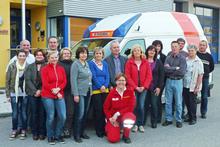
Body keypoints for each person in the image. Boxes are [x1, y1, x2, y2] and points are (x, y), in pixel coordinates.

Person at [41, 51, 67, 145]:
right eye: (52, 58)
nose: (54, 59)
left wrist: (59, 89)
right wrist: (55, 91)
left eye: (55, 57)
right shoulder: (44, 69)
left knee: (63, 116)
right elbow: (45, 83)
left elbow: (64, 81)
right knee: (51, 116)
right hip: (47, 95)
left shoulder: (61, 68)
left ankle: (58, 134)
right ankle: (50, 135)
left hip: (59, 93)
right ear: (48, 59)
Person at [125, 44, 152, 133]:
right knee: (135, 106)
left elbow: (149, 76)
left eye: (138, 50)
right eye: (135, 50)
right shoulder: (129, 62)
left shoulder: (145, 62)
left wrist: (144, 86)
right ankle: (135, 124)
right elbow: (127, 76)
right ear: (132, 52)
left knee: (141, 106)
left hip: (143, 88)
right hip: (133, 88)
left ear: (141, 52)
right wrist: (135, 87)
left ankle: (140, 124)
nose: (137, 52)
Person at [103, 73, 136, 144]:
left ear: (126, 82)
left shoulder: (130, 92)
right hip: (114, 118)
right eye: (119, 80)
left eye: (123, 80)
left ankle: (126, 136)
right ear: (116, 82)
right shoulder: (112, 93)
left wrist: (117, 114)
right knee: (113, 139)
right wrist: (110, 119)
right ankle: (108, 127)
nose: (121, 82)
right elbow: (106, 107)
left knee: (130, 118)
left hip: (125, 115)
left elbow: (131, 107)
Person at [163, 41, 187, 128]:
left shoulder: (182, 58)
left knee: (178, 102)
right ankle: (168, 119)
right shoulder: (168, 58)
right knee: (168, 102)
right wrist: (175, 68)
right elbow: (165, 70)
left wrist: (170, 68)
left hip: (178, 81)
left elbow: (182, 72)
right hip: (169, 81)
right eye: (172, 46)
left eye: (176, 46)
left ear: (179, 47)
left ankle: (178, 120)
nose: (174, 48)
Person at [70, 47, 92, 143]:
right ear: (78, 54)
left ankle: (82, 132)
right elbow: (73, 80)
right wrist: (75, 94)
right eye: (82, 53)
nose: (84, 55)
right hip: (79, 92)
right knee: (80, 114)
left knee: (85, 114)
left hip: (88, 91)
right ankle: (77, 134)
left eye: (85, 53)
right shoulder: (75, 64)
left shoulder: (86, 64)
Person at [6, 50, 29, 140]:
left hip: (25, 93)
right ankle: (14, 130)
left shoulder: (28, 66)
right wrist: (8, 95)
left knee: (24, 113)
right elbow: (7, 81)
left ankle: (23, 130)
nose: (22, 57)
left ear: (25, 57)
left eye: (24, 55)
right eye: (20, 55)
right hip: (13, 93)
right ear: (17, 56)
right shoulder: (12, 66)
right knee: (15, 113)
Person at [25, 49, 46, 140]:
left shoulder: (46, 66)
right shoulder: (30, 66)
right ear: (35, 56)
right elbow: (28, 80)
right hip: (32, 93)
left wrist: (40, 90)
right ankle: (35, 132)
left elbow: (47, 80)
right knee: (34, 113)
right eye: (37, 55)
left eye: (41, 55)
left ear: (43, 56)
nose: (39, 56)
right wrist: (35, 91)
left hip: (44, 92)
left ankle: (42, 132)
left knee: (42, 113)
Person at [88, 47, 109, 137]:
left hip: (105, 89)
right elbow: (93, 77)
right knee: (98, 111)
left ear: (102, 55)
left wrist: (105, 85)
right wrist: (101, 86)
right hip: (96, 89)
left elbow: (108, 76)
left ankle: (105, 129)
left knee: (105, 110)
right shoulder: (91, 64)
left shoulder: (105, 63)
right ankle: (99, 130)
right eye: (96, 53)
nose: (98, 55)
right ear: (94, 54)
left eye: (100, 53)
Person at [183, 45, 204, 125]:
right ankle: (189, 116)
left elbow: (200, 75)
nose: (190, 52)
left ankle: (193, 118)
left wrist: (197, 87)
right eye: (189, 51)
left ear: (196, 51)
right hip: (185, 84)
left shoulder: (198, 61)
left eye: (192, 50)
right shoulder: (186, 59)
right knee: (187, 102)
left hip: (193, 85)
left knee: (192, 103)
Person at [145, 45, 164, 128]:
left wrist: (159, 87)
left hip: (155, 87)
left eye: (153, 51)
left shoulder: (158, 62)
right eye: (150, 50)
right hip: (145, 87)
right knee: (144, 104)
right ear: (147, 51)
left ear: (155, 53)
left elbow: (161, 76)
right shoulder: (143, 61)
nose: (151, 52)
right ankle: (142, 121)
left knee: (154, 104)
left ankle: (154, 121)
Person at [197, 40, 215, 119]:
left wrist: (206, 73)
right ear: (199, 46)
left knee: (204, 96)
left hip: (205, 78)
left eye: (203, 45)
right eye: (200, 45)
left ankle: (203, 112)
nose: (202, 46)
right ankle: (191, 113)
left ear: (206, 46)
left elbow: (212, 67)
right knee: (193, 97)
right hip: (195, 78)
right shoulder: (196, 54)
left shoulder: (209, 56)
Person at [58, 48, 73, 138]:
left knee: (70, 112)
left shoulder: (74, 63)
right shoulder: (59, 64)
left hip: (71, 91)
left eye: (68, 53)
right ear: (61, 55)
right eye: (65, 53)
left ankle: (67, 129)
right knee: (61, 112)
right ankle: (60, 129)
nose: (66, 55)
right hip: (60, 91)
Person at [152, 40, 166, 123]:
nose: (157, 48)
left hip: (160, 82)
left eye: (159, 46)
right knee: (152, 101)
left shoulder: (163, 57)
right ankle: (153, 116)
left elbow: (164, 71)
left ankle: (158, 118)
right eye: (155, 46)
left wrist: (160, 85)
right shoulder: (149, 56)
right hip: (151, 83)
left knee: (158, 100)